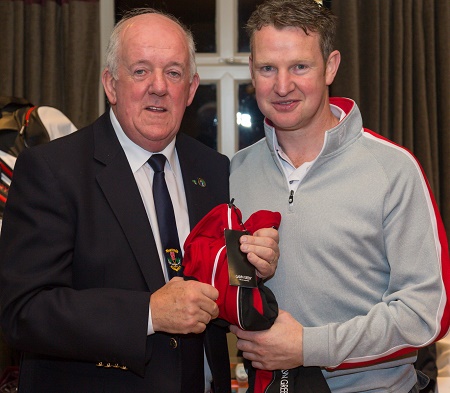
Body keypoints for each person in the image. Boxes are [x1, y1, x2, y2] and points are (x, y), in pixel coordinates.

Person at [0, 8, 279, 393]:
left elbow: (215, 285)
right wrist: (148, 314)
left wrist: (250, 267)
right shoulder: (52, 170)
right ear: (111, 85)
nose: (159, 87)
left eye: (174, 72)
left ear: (192, 89)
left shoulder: (212, 169)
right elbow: (22, 312)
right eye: (140, 70)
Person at [229, 0, 450, 392]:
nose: (282, 86)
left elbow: (425, 313)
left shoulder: (393, 170)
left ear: (330, 66)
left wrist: (308, 346)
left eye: (300, 66)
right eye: (268, 68)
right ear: (251, 71)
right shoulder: (235, 173)